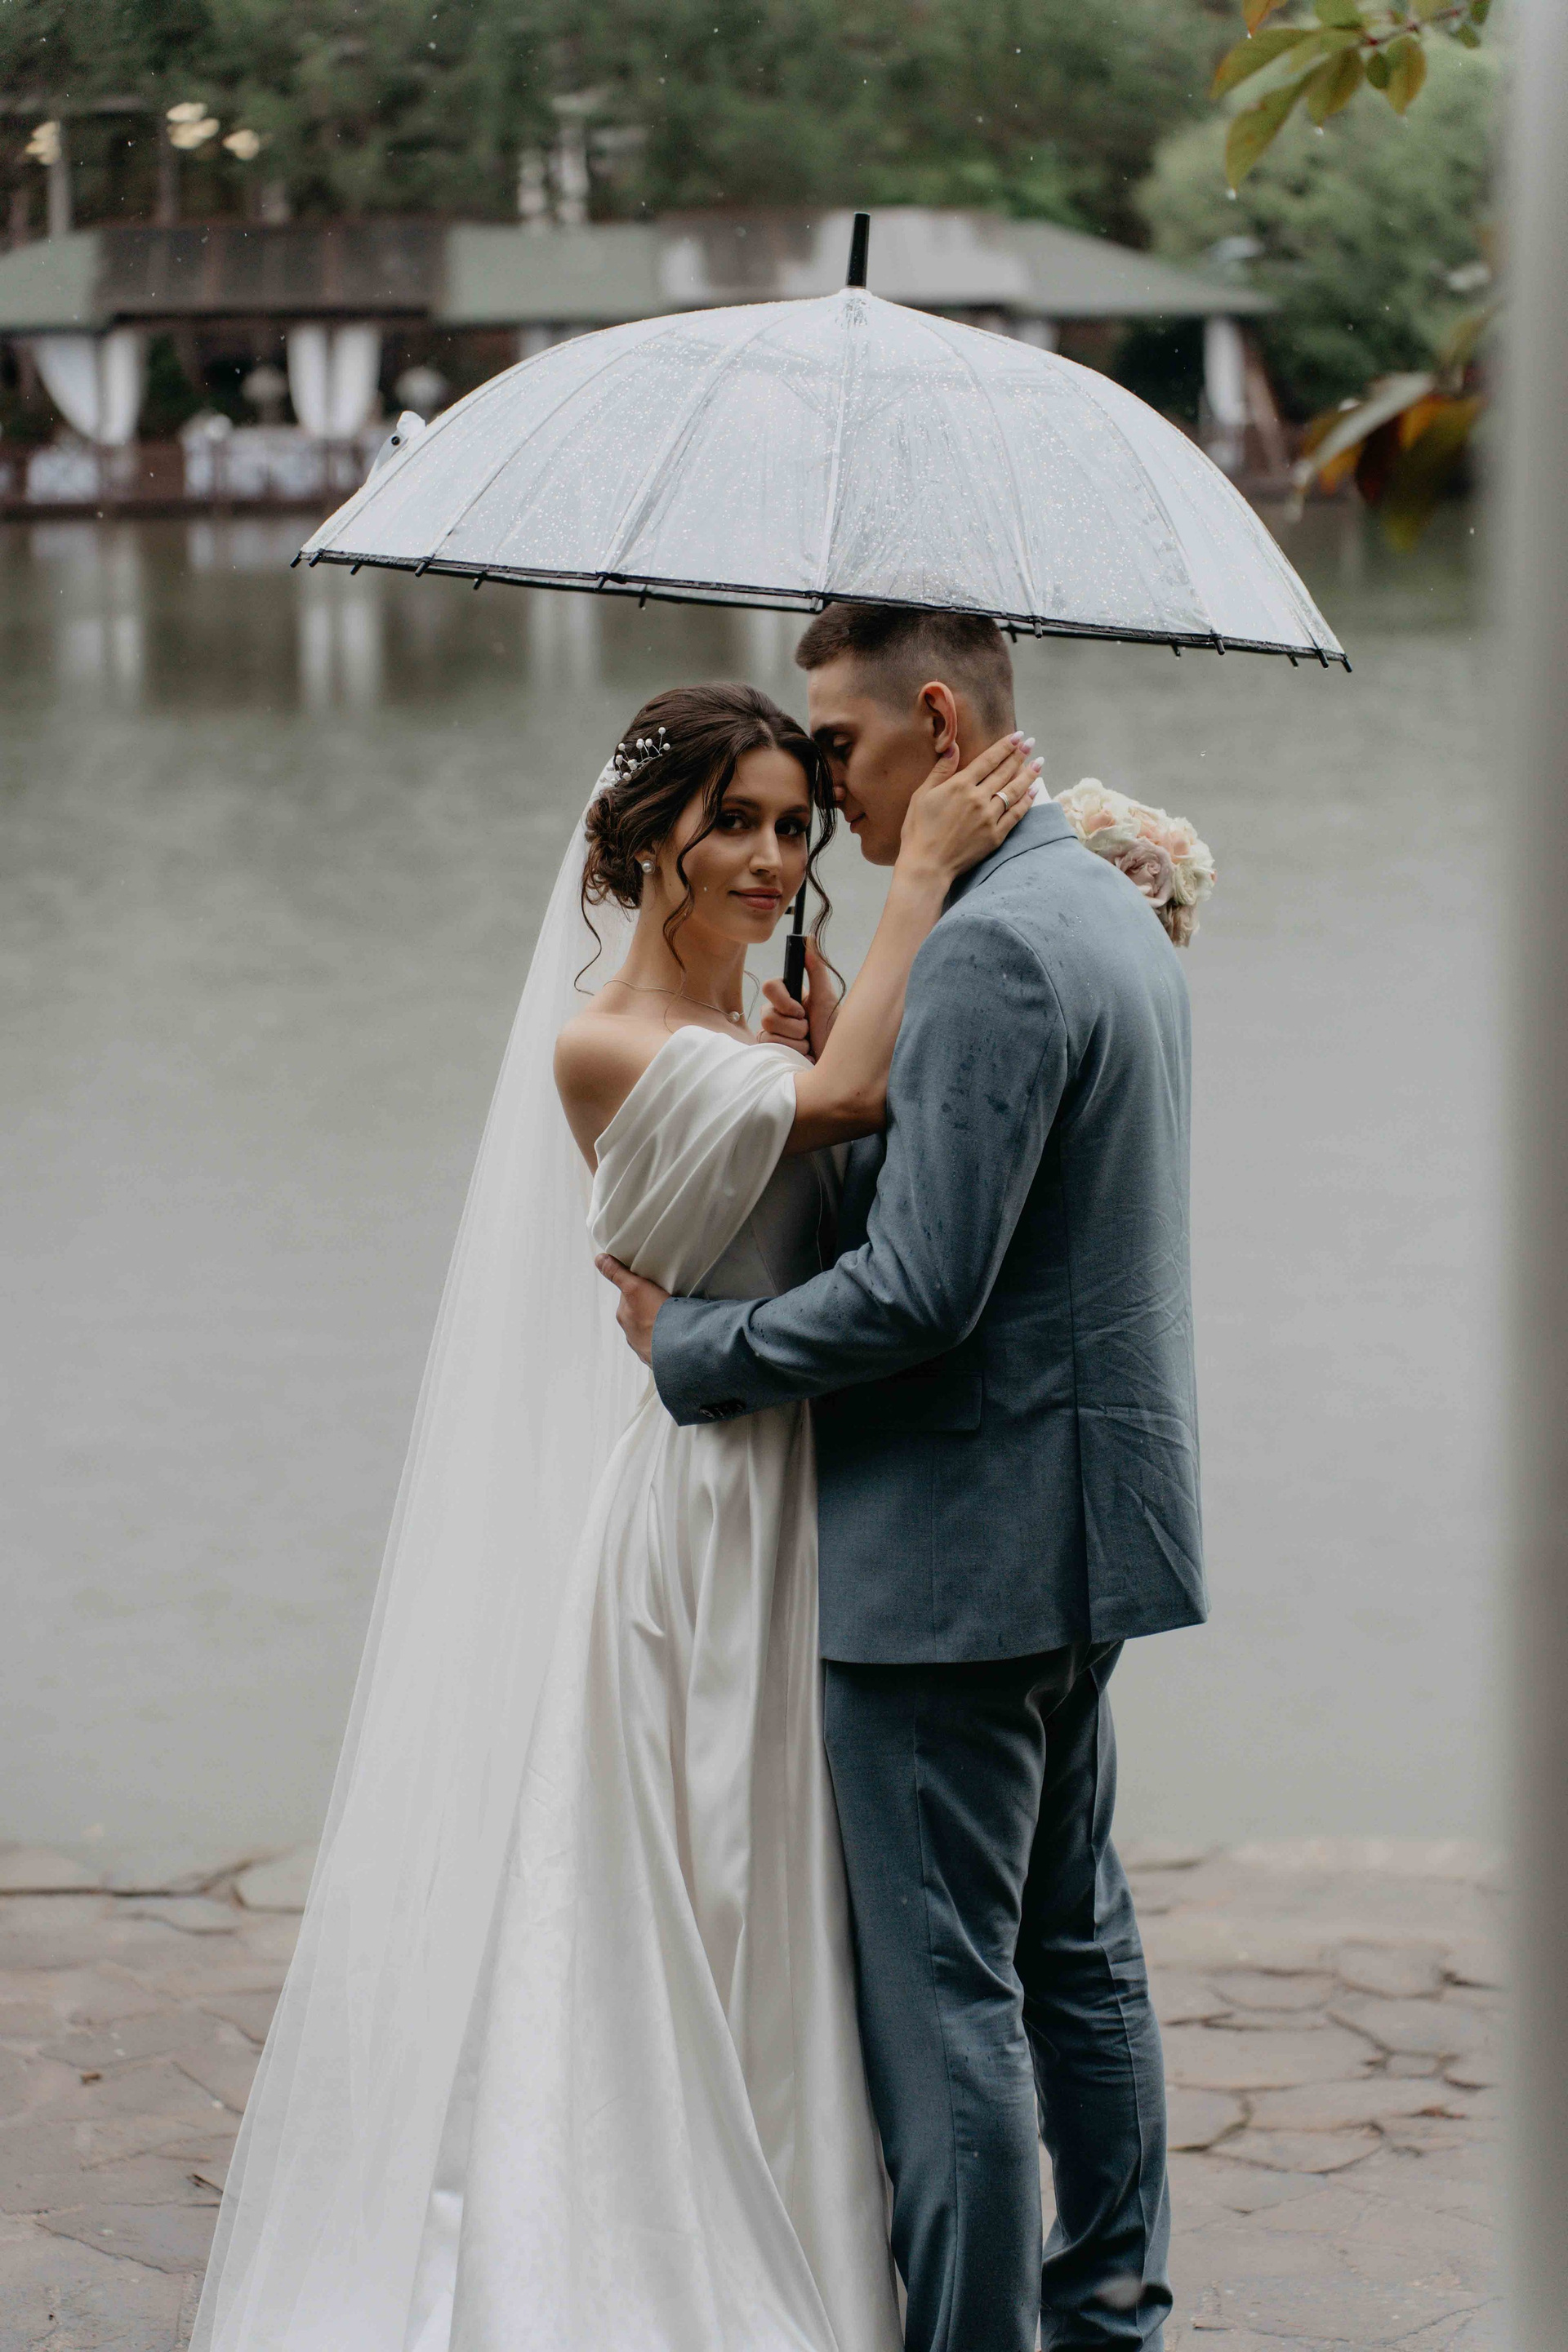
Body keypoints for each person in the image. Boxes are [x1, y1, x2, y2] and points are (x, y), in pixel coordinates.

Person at [191, 678, 1036, 2352]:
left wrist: (815, 1022)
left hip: (814, 1490)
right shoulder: (604, 1042)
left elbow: (831, 1129)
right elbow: (849, 1105)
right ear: (648, 841)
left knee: (794, 1888)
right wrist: (926, 868)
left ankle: (807, 2219)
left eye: (795, 825)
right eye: (737, 824)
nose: (775, 858)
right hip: (712, 1515)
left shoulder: (760, 1038)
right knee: (718, 1865)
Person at [598, 604, 1207, 2352]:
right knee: (1075, 1954)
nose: (828, 796)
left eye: (840, 752)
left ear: (936, 723)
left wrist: (696, 1346)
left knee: (947, 2003)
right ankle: (1110, 2319)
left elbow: (926, 1290)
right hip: (1082, 1532)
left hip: (954, 1557)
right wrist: (843, 1067)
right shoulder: (1098, 906)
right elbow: (1016, 1230)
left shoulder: (991, 950)